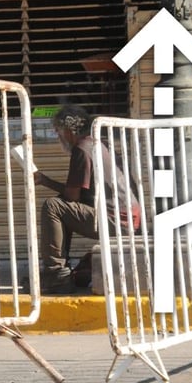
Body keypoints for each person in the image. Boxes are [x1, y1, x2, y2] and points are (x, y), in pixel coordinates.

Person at [34, 104, 142, 294]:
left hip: (116, 221)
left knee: (53, 206)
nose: (58, 136)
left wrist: (45, 181)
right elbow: (75, 196)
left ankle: (56, 274)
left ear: (69, 130)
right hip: (128, 219)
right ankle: (60, 272)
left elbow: (71, 195)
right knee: (61, 203)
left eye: (58, 131)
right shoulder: (99, 144)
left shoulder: (82, 149)